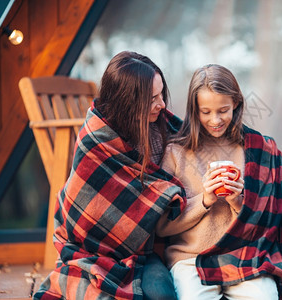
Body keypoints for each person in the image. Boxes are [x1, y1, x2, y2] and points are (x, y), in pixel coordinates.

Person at [156, 64, 282, 299]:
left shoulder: (258, 149)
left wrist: (239, 202)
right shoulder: (175, 152)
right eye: (205, 112)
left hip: (247, 255)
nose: (215, 119)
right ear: (194, 109)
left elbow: (270, 224)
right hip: (191, 260)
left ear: (236, 103)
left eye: (223, 110)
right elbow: (163, 226)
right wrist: (205, 200)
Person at [34, 51, 185, 300]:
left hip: (143, 250)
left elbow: (193, 140)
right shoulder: (97, 140)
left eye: (161, 94)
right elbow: (81, 215)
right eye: (152, 99)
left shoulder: (158, 127)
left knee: (161, 294)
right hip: (91, 250)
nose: (163, 105)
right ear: (128, 102)